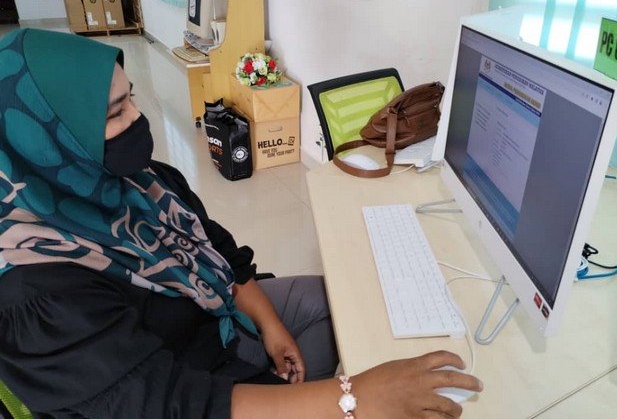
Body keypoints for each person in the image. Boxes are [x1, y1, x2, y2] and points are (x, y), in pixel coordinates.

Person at [0, 28, 483, 418]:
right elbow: (165, 403)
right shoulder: (36, 289)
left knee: (333, 303)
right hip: (189, 390)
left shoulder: (143, 183)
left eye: (131, 98)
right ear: (46, 142)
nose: (138, 117)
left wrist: (271, 326)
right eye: (115, 112)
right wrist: (352, 400)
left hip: (216, 324)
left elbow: (219, 250)